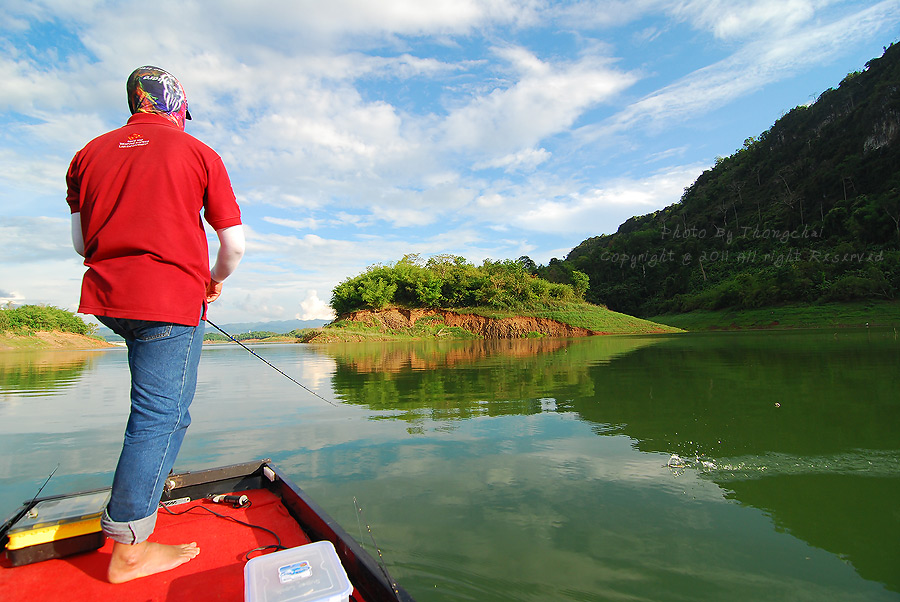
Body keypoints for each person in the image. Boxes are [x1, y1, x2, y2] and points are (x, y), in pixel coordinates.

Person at [66, 66, 245, 583]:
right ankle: (129, 548)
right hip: (169, 302)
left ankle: (135, 512)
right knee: (159, 419)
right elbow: (233, 245)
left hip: (109, 299)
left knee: (159, 415)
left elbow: (82, 244)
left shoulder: (87, 153)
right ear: (176, 106)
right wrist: (213, 279)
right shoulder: (199, 153)